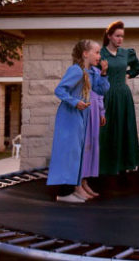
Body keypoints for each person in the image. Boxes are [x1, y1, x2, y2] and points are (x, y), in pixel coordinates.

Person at [46, 40, 109, 203]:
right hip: (70, 117)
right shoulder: (76, 71)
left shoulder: (89, 72)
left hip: (80, 117)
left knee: (76, 153)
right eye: (96, 52)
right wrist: (75, 102)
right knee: (69, 152)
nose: (99, 56)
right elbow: (59, 90)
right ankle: (64, 193)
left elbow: (100, 90)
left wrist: (103, 74)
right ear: (85, 54)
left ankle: (72, 190)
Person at [99, 20, 139, 177]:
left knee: (124, 129)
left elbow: (138, 67)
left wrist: (128, 74)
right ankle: (105, 168)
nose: (120, 39)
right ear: (109, 36)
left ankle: (123, 166)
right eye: (117, 36)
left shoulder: (126, 53)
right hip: (106, 96)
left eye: (122, 36)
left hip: (123, 95)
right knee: (106, 131)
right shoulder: (101, 54)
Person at [79, 80, 106, 197]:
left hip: (94, 111)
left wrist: (101, 112)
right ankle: (77, 184)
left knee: (91, 148)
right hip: (84, 110)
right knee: (83, 147)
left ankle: (85, 182)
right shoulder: (79, 71)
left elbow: (100, 94)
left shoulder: (97, 73)